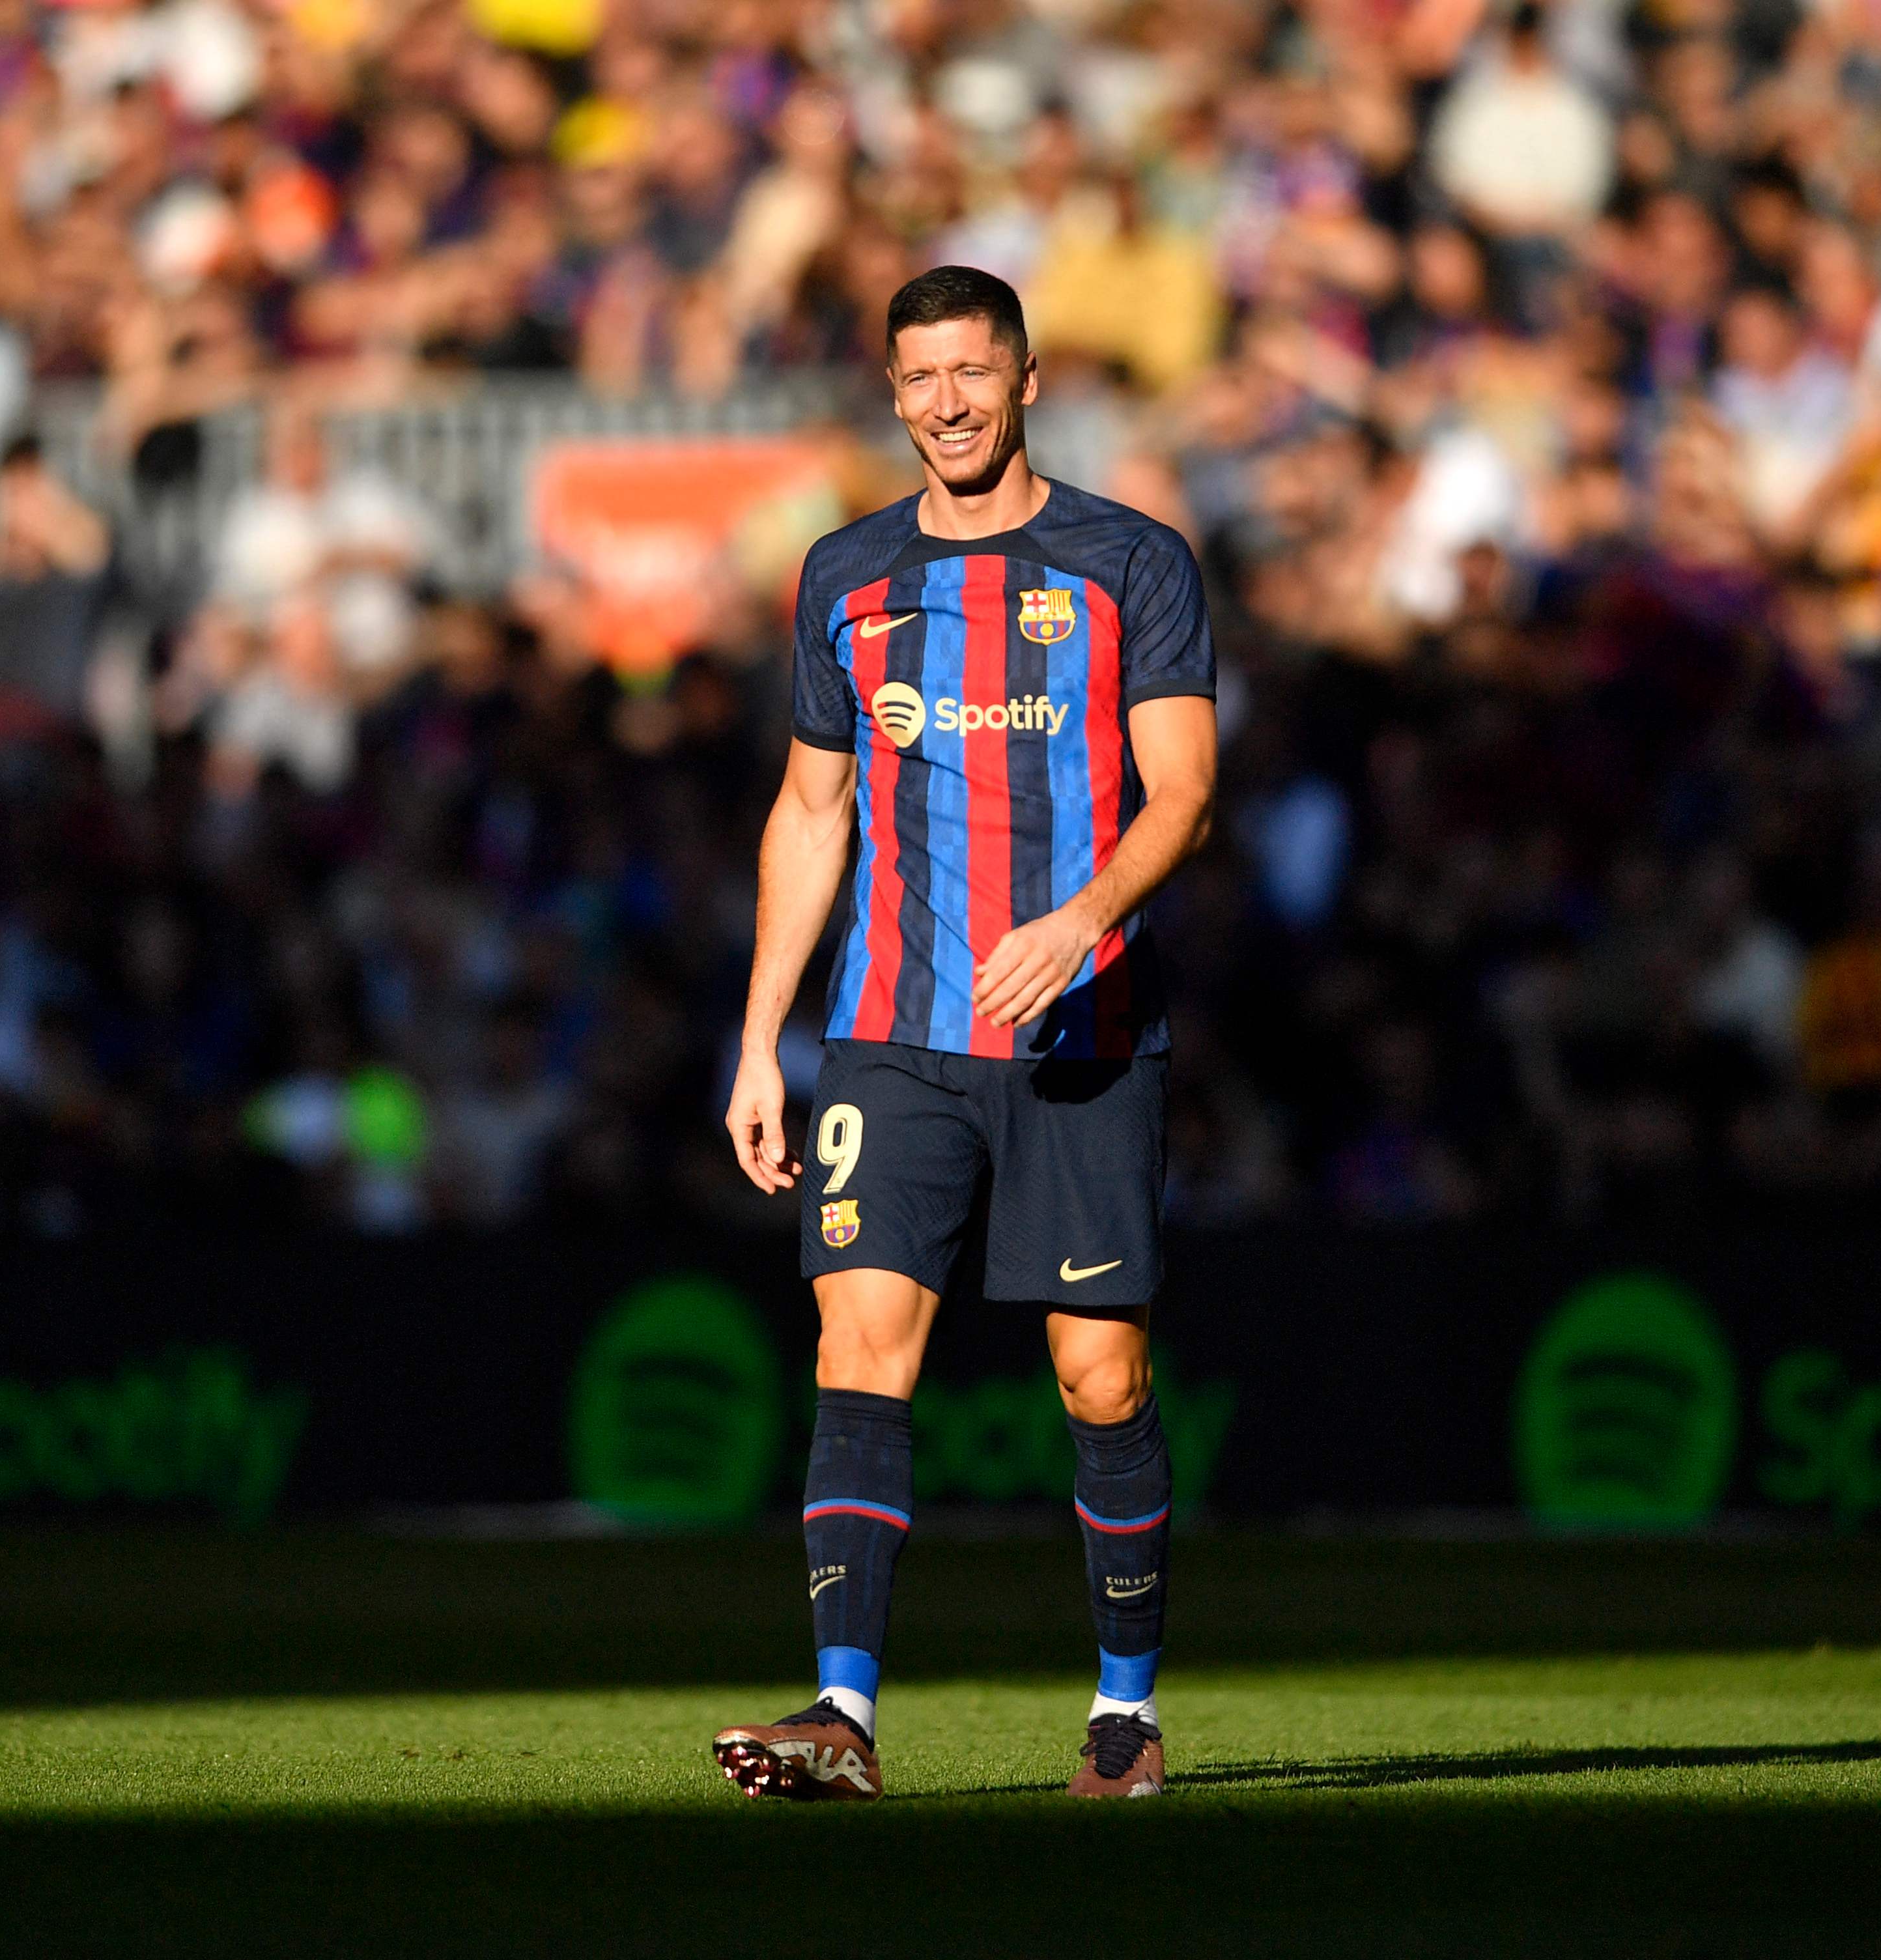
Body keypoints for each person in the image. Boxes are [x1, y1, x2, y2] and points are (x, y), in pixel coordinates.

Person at [712, 266, 1217, 1802]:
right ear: (890, 392)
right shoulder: (847, 575)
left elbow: (1183, 787)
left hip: (1081, 1030)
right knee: (858, 1341)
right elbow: (811, 810)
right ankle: (841, 1714)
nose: (945, 402)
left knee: (1100, 1380)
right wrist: (758, 1039)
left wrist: (1082, 917)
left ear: (1027, 380)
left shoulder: (1129, 561)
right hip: (892, 1031)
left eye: (971, 374)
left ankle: (1123, 1713)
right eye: (918, 377)